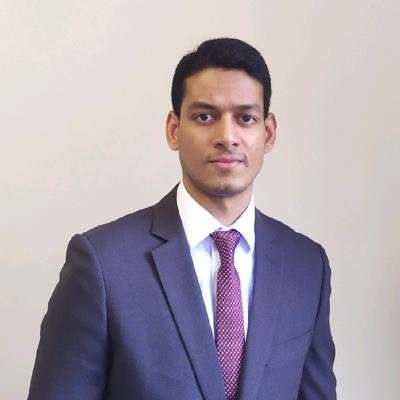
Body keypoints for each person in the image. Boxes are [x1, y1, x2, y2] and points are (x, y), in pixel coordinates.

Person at [28, 38, 336, 400]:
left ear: (267, 133)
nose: (227, 137)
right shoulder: (103, 264)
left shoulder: (306, 265)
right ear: (174, 130)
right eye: (205, 117)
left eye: (245, 118)